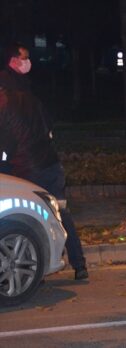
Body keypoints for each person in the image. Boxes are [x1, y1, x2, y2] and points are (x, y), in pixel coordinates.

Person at [0, 43, 88, 281]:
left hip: (29, 171)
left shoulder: (5, 105)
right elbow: (48, 126)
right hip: (51, 164)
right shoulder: (32, 99)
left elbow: (6, 145)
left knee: (29, 217)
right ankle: (79, 265)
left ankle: (33, 263)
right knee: (62, 213)